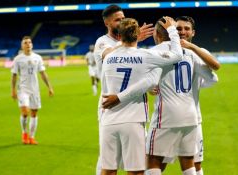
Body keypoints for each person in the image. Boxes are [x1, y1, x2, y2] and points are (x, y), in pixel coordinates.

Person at [100, 17, 182, 175]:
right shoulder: (145, 55)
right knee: (136, 171)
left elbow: (105, 88)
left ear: (119, 35)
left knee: (108, 170)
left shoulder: (109, 58)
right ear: (137, 33)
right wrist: (172, 31)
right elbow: (177, 56)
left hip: (109, 120)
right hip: (133, 120)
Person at [93, 4, 154, 175]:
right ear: (107, 23)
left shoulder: (131, 46)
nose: (122, 21)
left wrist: (149, 87)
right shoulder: (103, 42)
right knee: (108, 162)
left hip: (133, 109)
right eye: (117, 20)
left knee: (138, 161)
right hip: (111, 107)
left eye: (123, 18)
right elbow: (106, 55)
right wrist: (129, 39)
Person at [160, 16, 220, 175]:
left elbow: (216, 66)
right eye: (179, 28)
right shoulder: (164, 50)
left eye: (187, 29)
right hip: (168, 119)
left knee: (195, 164)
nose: (183, 32)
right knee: (159, 164)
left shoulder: (198, 52)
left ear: (193, 32)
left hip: (193, 118)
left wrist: (191, 47)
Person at [11, 36, 54, 145]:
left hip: (35, 90)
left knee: (34, 114)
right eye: (25, 43)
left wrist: (49, 87)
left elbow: (43, 73)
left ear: (32, 44)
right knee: (25, 112)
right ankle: (24, 133)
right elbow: (14, 75)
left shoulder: (38, 58)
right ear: (22, 46)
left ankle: (32, 137)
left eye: (29, 42)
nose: (28, 44)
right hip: (23, 89)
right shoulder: (18, 59)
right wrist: (13, 90)